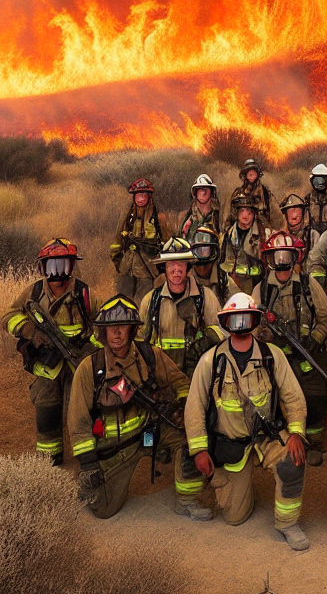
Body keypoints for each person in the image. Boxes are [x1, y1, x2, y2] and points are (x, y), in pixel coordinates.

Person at [185, 292, 310, 550]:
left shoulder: (272, 356)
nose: (240, 325)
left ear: (255, 321)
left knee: (293, 463)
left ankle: (287, 523)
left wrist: (296, 433)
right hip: (230, 444)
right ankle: (243, 490)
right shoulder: (211, 360)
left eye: (246, 319)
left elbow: (294, 398)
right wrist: (198, 449)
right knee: (235, 518)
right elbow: (194, 406)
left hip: (268, 437)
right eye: (235, 320)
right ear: (226, 323)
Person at [69, 295, 208, 521]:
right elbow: (78, 421)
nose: (117, 333)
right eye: (111, 327)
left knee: (190, 437)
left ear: (133, 330)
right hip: (115, 447)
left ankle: (187, 501)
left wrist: (180, 406)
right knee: (103, 510)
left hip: (150, 432)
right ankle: (95, 485)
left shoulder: (150, 355)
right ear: (102, 332)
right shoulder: (90, 368)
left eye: (123, 326)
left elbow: (181, 383)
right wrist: (88, 464)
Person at [3, 238, 93, 464]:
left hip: (77, 364)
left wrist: (92, 353)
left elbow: (102, 326)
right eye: (53, 266)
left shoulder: (84, 294)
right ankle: (49, 463)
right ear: (43, 268)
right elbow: (8, 316)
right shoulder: (33, 292)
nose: (58, 274)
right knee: (46, 412)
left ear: (72, 266)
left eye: (64, 266)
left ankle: (87, 462)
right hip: (46, 366)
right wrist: (30, 331)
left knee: (80, 413)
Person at [252, 231, 327, 466]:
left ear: (295, 257)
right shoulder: (261, 290)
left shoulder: (309, 285)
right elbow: (252, 326)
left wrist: (314, 340)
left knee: (315, 396)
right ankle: (271, 444)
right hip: (273, 359)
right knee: (268, 400)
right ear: (269, 260)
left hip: (304, 355)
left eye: (286, 256)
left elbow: (326, 318)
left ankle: (315, 443)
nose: (282, 263)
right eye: (276, 258)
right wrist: (265, 339)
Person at [139, 238, 223, 378]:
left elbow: (222, 331)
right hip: (161, 376)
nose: (176, 269)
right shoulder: (150, 301)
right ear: (164, 268)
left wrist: (206, 340)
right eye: (171, 264)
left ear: (188, 268)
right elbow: (139, 341)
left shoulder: (205, 298)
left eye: (181, 264)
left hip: (196, 374)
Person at [110, 177, 164, 300]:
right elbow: (116, 242)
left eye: (144, 195)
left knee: (143, 306)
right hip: (126, 271)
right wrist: (118, 262)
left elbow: (167, 245)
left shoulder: (158, 218)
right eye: (138, 195)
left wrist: (160, 269)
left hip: (147, 272)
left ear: (150, 197)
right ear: (133, 197)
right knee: (123, 303)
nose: (141, 199)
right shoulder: (126, 217)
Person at [218, 195, 267, 295]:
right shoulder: (227, 236)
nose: (245, 215)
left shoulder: (263, 235)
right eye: (242, 210)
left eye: (249, 211)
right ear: (237, 213)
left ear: (254, 214)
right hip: (230, 283)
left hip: (254, 284)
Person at [191, 225, 235, 301]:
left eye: (205, 250)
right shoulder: (183, 280)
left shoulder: (223, 281)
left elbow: (238, 300)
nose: (202, 252)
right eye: (198, 250)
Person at [230, 158, 275, 223]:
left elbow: (274, 215)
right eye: (248, 173)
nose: (251, 175)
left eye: (253, 172)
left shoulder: (265, 193)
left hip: (260, 227)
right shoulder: (238, 193)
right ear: (244, 175)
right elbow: (231, 214)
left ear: (257, 174)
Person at [278, 193, 318, 263]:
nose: (294, 213)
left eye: (297, 209)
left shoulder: (313, 235)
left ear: (303, 212)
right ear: (285, 215)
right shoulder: (280, 238)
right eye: (290, 210)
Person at [179, 173, 221, 239]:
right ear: (195, 193)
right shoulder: (189, 220)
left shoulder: (217, 218)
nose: (204, 192)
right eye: (201, 189)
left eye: (206, 189)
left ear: (212, 192)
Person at [305, 163, 327, 237]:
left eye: (323, 179)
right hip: (312, 238)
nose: (320, 183)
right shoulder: (307, 200)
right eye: (317, 180)